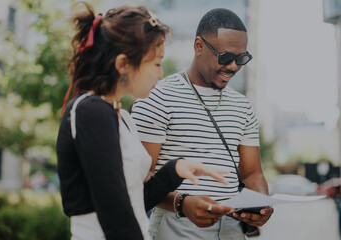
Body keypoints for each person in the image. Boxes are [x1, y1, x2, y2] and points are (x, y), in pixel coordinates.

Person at [56, 3, 231, 240]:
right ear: (123, 64)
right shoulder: (90, 111)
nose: (160, 73)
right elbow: (115, 213)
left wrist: (175, 169)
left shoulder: (121, 116)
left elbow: (135, 200)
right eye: (156, 63)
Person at [131, 8, 274, 239]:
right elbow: (138, 183)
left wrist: (261, 205)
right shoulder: (157, 97)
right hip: (177, 225)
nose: (234, 66)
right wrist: (182, 203)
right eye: (226, 57)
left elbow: (252, 173)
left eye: (242, 58)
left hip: (232, 227)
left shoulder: (243, 106)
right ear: (199, 46)